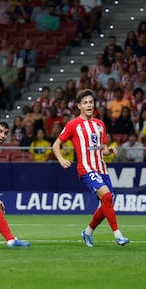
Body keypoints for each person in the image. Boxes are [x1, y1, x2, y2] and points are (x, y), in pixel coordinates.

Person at [52, 88, 129, 247]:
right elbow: (56, 145)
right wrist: (61, 159)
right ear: (79, 105)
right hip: (86, 169)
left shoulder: (100, 125)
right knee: (107, 197)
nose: (89, 105)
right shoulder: (73, 125)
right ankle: (118, 235)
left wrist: (110, 151)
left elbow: (102, 148)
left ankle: (87, 233)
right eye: (85, 102)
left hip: (102, 168)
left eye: (91, 102)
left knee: (106, 203)